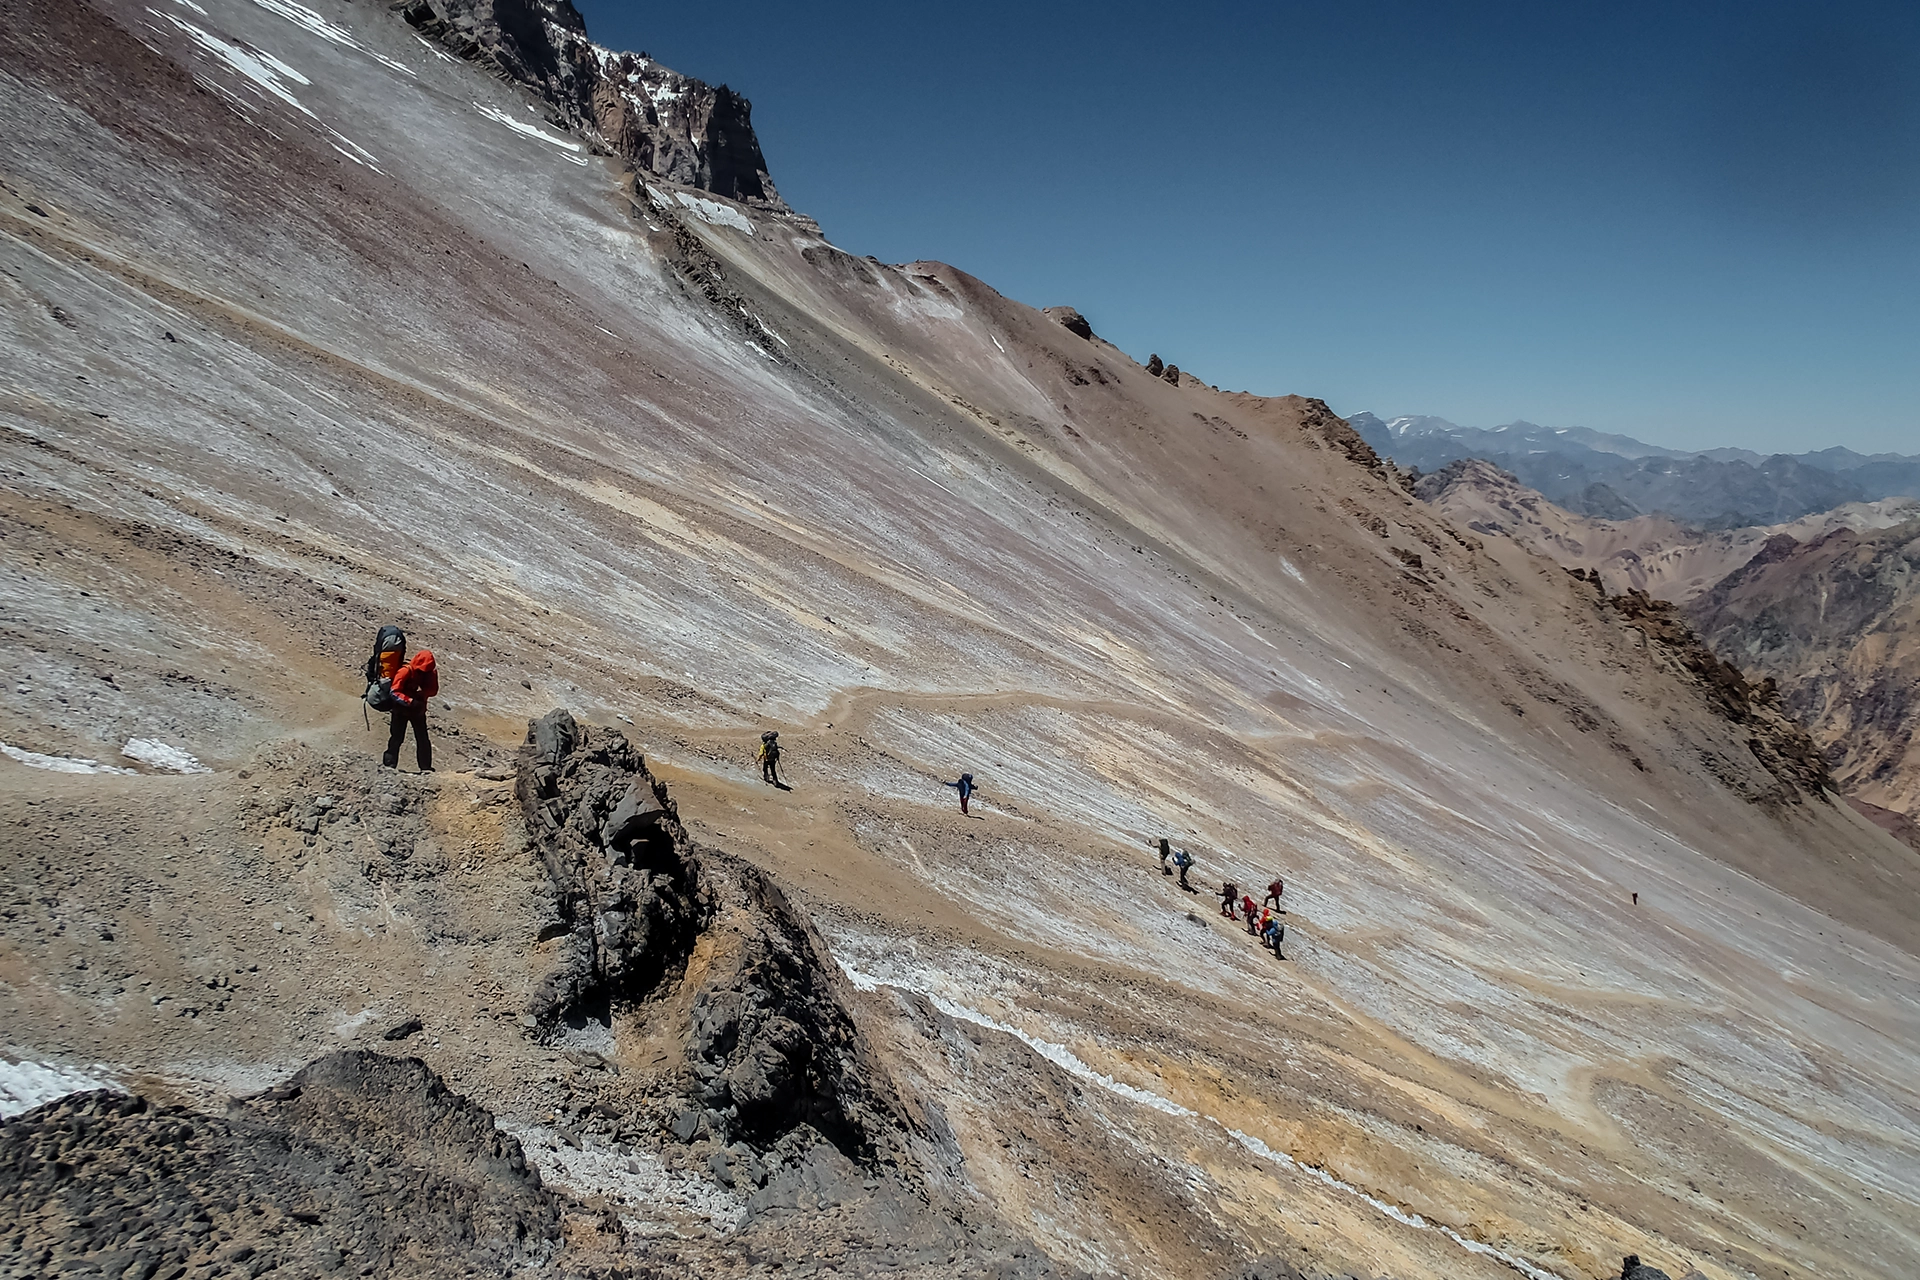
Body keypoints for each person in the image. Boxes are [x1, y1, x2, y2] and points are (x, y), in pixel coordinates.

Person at [383, 649, 437, 771]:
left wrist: (422, 694)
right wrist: (411, 701)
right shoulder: (405, 671)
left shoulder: (429, 673)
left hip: (417, 711)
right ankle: (389, 765)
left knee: (422, 739)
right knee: (397, 737)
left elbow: (433, 690)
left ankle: (426, 767)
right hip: (401, 710)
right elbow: (394, 691)